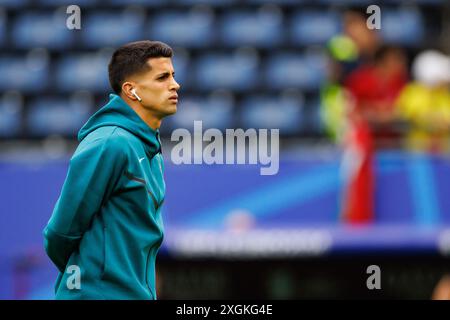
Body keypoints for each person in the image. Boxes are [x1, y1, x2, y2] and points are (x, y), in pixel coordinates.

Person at [43, 40, 180, 299]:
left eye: (173, 75)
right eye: (162, 77)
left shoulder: (150, 150)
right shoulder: (109, 143)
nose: (175, 84)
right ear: (131, 90)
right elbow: (60, 233)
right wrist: (91, 281)